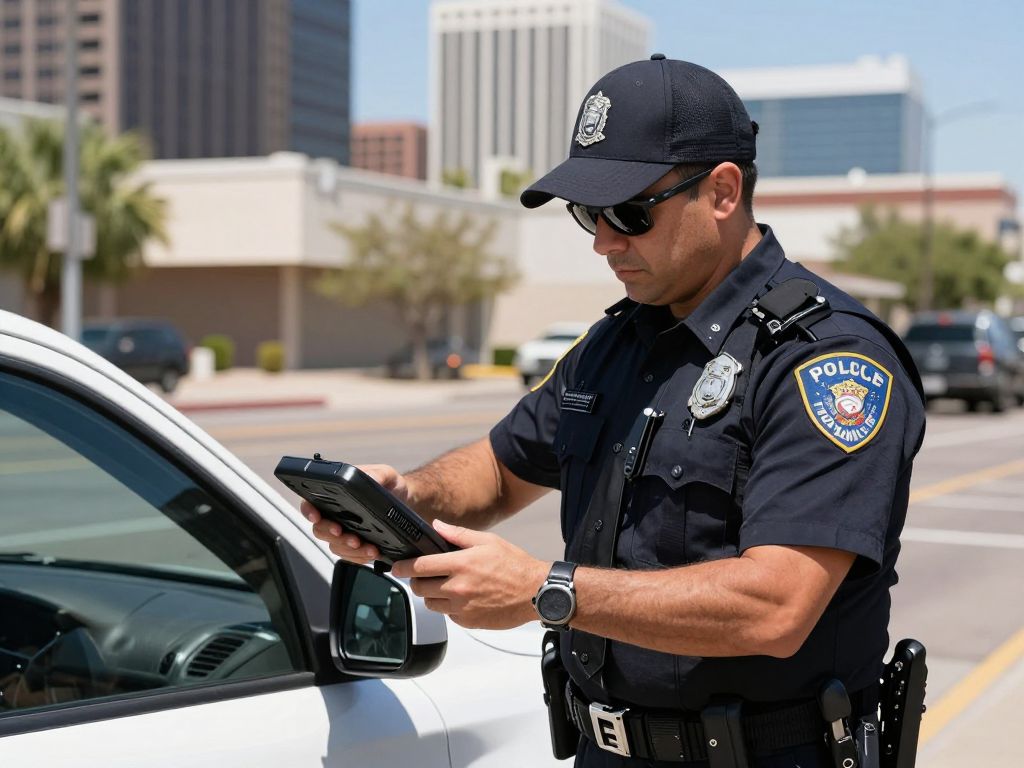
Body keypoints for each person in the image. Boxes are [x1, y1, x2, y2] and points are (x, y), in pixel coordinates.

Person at [305, 55, 926, 768]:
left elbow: (777, 605)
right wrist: (406, 499)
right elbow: (504, 470)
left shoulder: (824, 361)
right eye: (589, 214)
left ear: (723, 192)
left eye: (631, 212)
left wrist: (546, 591)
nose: (605, 241)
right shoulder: (618, 341)